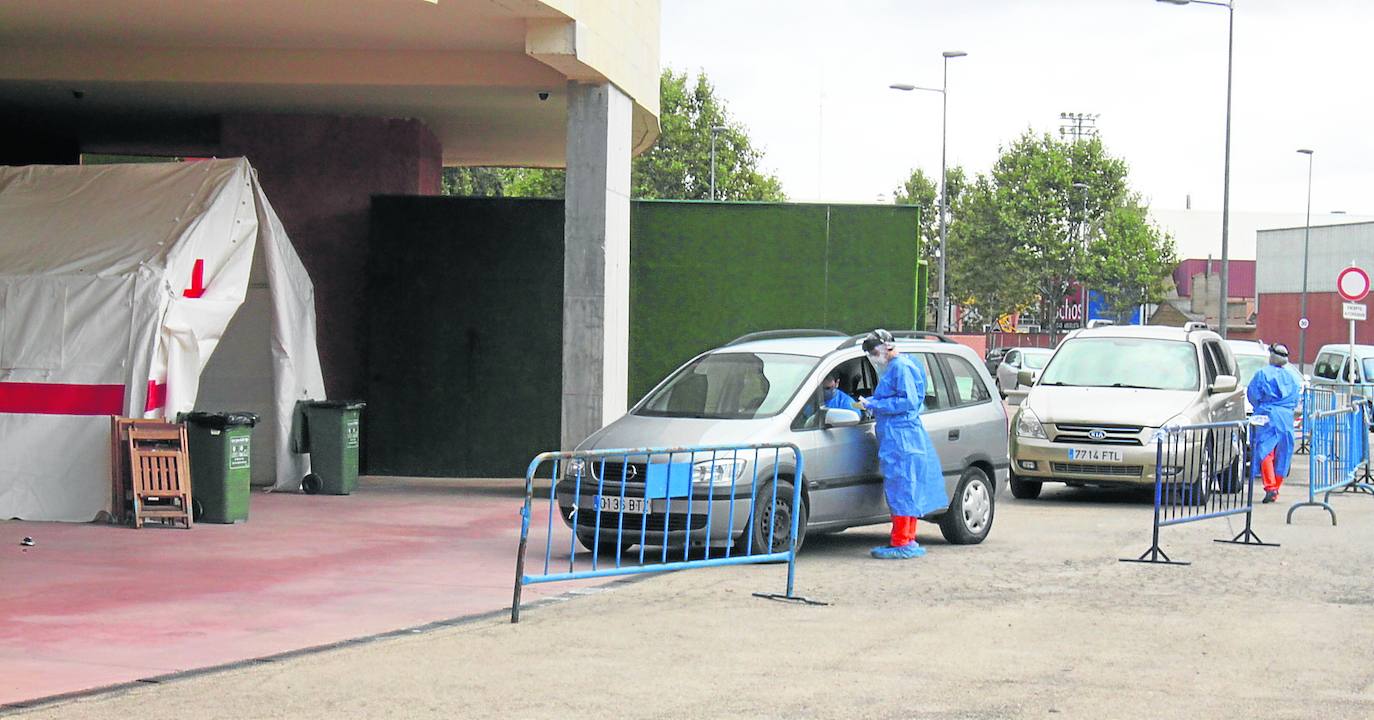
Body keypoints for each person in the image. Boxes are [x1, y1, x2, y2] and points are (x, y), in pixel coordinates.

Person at [857, 329, 949, 559]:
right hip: (903, 436)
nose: (874, 357)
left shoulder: (900, 367)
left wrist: (874, 405)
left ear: (887, 346)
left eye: (875, 351)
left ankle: (901, 541)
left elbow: (906, 401)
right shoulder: (903, 365)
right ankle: (906, 538)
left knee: (901, 488)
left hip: (900, 438)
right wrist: (875, 402)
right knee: (907, 488)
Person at [1247, 342, 1301, 503]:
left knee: (1265, 451)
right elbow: (1295, 399)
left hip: (1267, 415)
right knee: (1283, 453)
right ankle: (1276, 488)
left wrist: (1261, 407)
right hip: (1285, 418)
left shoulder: (1262, 374)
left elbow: (1253, 394)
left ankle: (1270, 486)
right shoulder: (1292, 377)